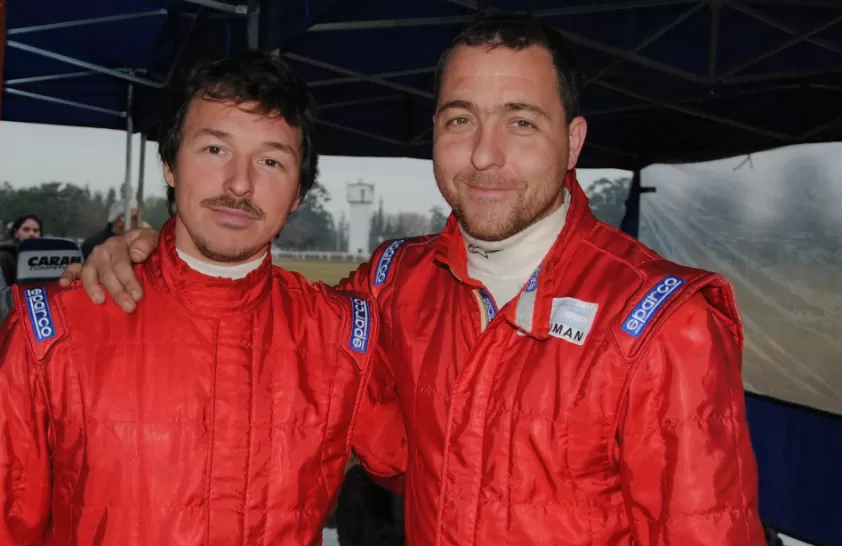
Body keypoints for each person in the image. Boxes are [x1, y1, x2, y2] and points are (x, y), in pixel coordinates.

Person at [61, 15, 765, 545]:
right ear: (434, 130)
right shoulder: (398, 283)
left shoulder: (662, 321)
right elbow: (263, 321)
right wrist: (161, 249)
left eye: (521, 122)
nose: (485, 155)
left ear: (573, 141)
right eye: (461, 120)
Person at [0, 51, 386, 545]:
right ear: (170, 166)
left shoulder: (344, 337)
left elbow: (446, 462)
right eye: (215, 150)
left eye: (270, 160)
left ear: (299, 192)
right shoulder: (54, 327)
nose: (240, 183)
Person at [80, 198, 144, 258]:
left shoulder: (137, 244)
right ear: (119, 220)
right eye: (135, 218)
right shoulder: (95, 245)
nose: (139, 222)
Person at [0, 213, 43, 285]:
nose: (31, 234)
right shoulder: (6, 256)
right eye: (26, 229)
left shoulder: (45, 256)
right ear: (16, 233)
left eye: (35, 230)